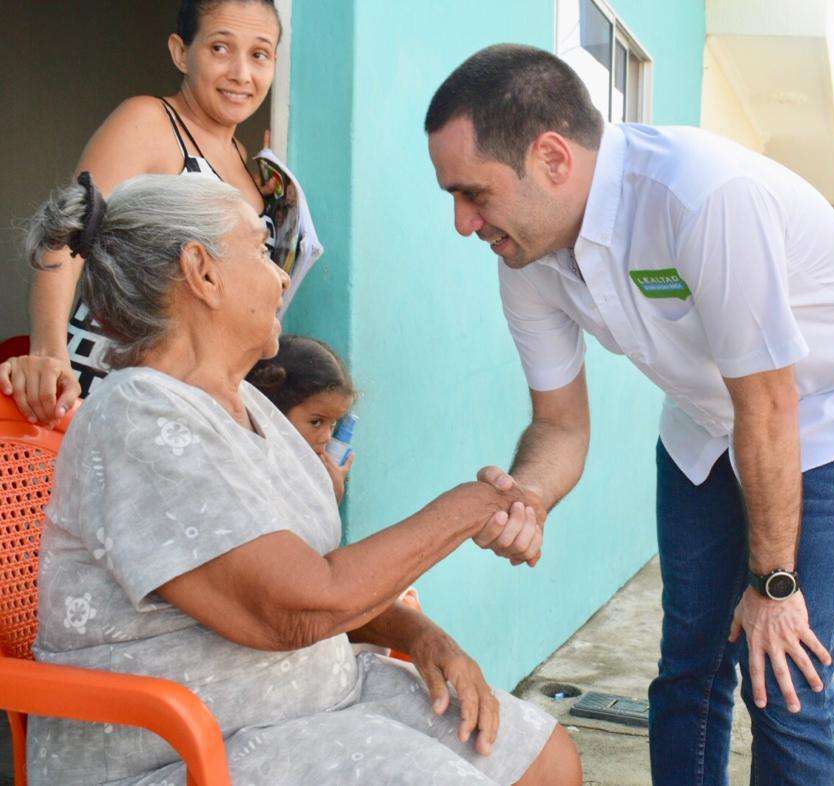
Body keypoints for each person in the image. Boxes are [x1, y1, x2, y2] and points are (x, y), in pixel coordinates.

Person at [424, 44, 834, 785]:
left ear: (553, 158)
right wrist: (528, 495)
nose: (463, 222)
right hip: (709, 419)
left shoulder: (702, 195)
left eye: (474, 193)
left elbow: (771, 404)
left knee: (782, 672)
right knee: (688, 664)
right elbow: (560, 425)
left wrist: (774, 587)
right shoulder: (525, 254)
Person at [21, 173, 582, 786]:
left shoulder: (247, 403)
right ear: (203, 273)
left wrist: (416, 630)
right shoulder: (138, 417)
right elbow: (293, 607)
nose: (282, 276)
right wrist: (474, 505)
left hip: (310, 703)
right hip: (182, 748)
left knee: (545, 760)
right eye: (262, 251)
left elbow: (302, 589)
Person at [1, 0, 283, 424]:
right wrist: (48, 352)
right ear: (180, 52)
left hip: (192, 402)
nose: (241, 74)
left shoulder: (247, 161)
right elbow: (67, 230)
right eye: (220, 49)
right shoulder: (150, 121)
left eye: (259, 54)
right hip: (113, 377)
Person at [247, 334, 357, 503]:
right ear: (274, 411)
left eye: (333, 424)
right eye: (316, 422)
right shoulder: (252, 467)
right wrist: (326, 497)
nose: (327, 437)